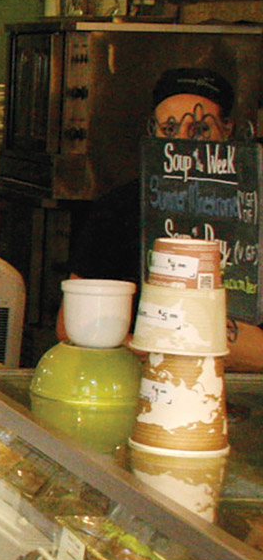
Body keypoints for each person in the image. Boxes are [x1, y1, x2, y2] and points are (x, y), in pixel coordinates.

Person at [62, 65, 263, 369]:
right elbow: (70, 327)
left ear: (227, 130)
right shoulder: (117, 209)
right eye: (169, 130)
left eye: (199, 129)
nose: (181, 142)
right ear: (152, 132)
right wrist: (167, 346)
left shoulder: (255, 209)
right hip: (143, 384)